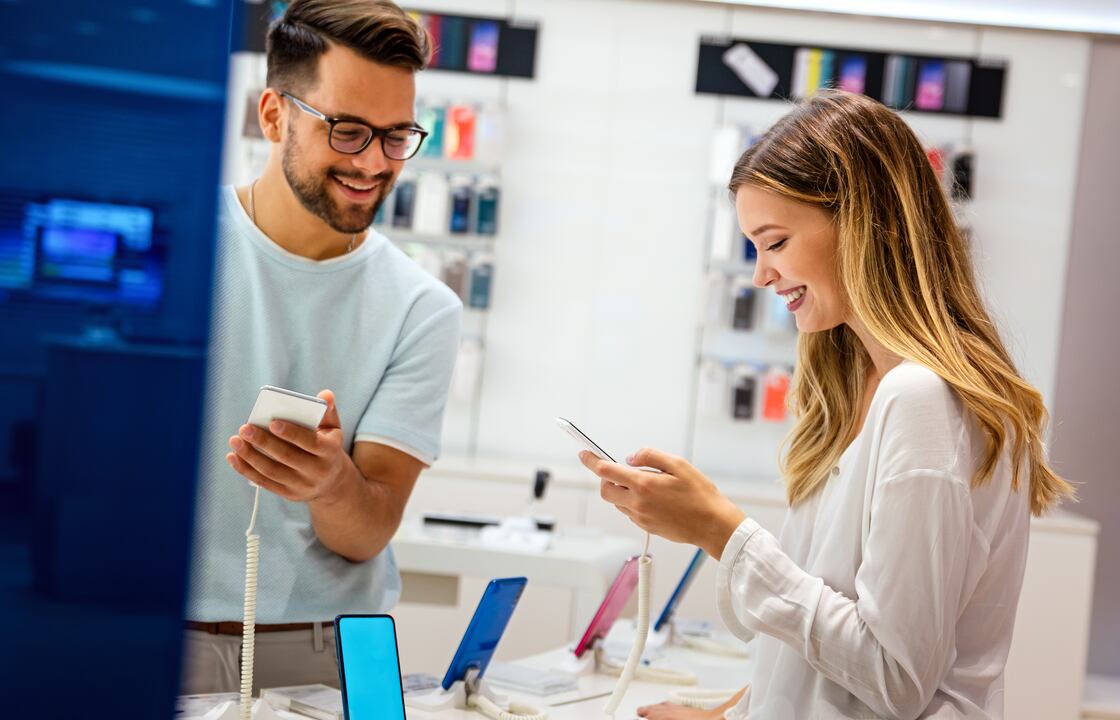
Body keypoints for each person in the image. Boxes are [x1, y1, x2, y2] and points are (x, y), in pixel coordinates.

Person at [578, 90, 1073, 719]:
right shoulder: (863, 389)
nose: (760, 275)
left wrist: (721, 533)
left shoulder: (920, 399)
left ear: (861, 222)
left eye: (775, 242)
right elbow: (827, 635)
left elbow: (894, 678)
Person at [182, 0, 461, 694]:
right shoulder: (179, 242)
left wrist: (332, 484)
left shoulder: (422, 308)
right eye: (348, 130)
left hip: (325, 653)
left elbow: (366, 533)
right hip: (155, 632)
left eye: (396, 136)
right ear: (273, 115)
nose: (372, 163)